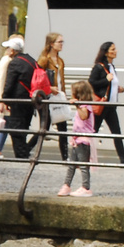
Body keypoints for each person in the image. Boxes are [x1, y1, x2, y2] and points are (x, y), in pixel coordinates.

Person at [86, 41, 124, 164]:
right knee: (93, 131)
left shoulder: (112, 67)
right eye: (112, 49)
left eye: (115, 49)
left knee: (116, 132)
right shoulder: (99, 67)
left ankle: (123, 158)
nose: (115, 51)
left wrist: (117, 88)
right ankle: (82, 156)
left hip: (111, 106)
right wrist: (106, 80)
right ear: (106, 52)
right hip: (102, 105)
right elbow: (91, 83)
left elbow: (110, 84)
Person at [58, 80, 102, 198]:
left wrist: (77, 105)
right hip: (77, 139)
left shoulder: (86, 105)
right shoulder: (83, 105)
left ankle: (86, 187)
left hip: (84, 140)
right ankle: (66, 185)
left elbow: (84, 116)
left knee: (83, 165)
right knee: (72, 164)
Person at [1, 36, 41, 160]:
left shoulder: (15, 63)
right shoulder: (32, 60)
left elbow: (9, 83)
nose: (7, 51)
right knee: (24, 126)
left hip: (18, 99)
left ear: (13, 50)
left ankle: (21, 154)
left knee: (16, 128)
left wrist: (5, 99)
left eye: (8, 48)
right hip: (31, 99)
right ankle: (24, 152)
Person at [35, 32, 69, 160]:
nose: (62, 45)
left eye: (62, 42)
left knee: (63, 127)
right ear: (51, 44)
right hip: (47, 98)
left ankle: (65, 157)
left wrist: (64, 94)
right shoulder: (44, 60)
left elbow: (62, 80)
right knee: (45, 127)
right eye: (59, 42)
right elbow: (37, 79)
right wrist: (48, 88)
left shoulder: (60, 61)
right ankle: (28, 149)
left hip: (58, 97)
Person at [0, 37, 21, 158]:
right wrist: (0, 100)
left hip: (8, 97)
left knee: (8, 124)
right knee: (7, 124)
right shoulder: (6, 60)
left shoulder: (11, 60)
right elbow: (1, 81)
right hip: (6, 98)